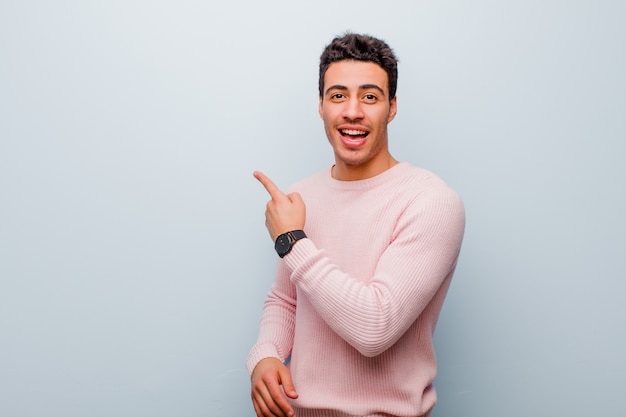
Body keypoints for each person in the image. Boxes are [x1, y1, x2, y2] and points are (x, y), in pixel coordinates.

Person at [247, 32, 465, 417]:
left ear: (392, 107)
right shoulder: (301, 198)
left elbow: (375, 328)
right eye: (337, 95)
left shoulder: (431, 201)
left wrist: (292, 240)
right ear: (320, 106)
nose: (352, 111)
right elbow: (285, 300)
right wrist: (265, 355)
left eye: (369, 96)